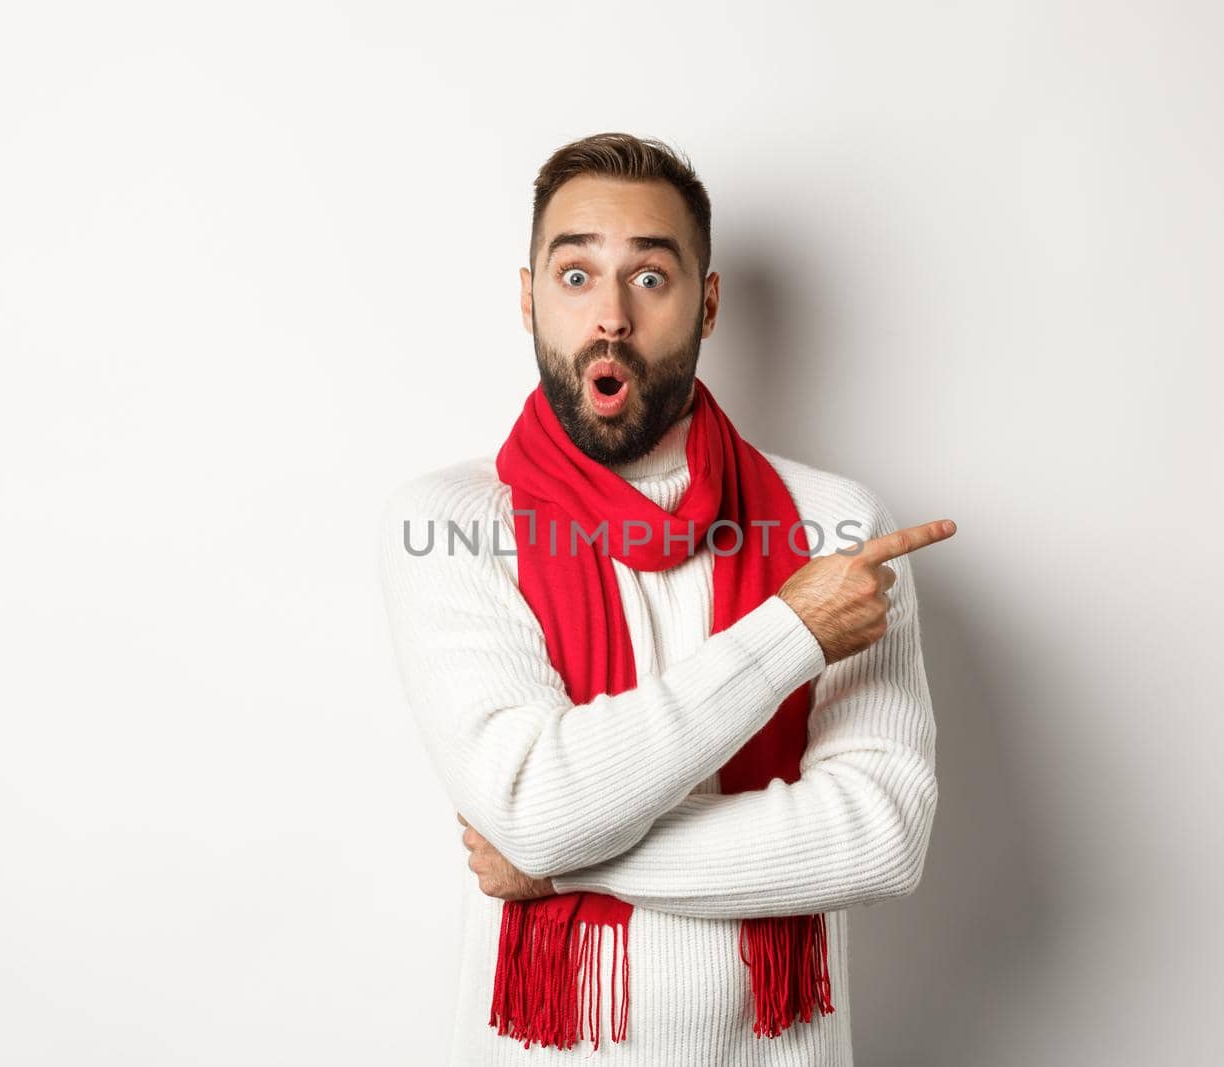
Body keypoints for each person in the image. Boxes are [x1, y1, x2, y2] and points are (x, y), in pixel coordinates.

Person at [377, 131, 956, 1065]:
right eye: (575, 276)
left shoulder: (838, 525)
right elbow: (534, 799)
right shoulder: (455, 521)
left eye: (649, 278)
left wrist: (555, 862)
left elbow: (879, 836)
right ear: (527, 298)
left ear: (708, 302)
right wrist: (793, 630)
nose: (610, 316)